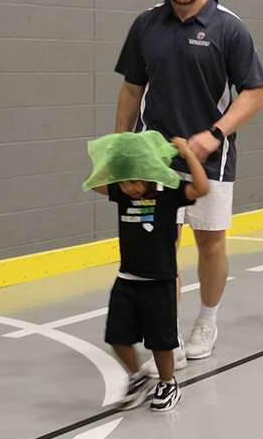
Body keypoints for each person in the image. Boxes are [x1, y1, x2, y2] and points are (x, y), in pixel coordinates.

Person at [115, 0, 263, 364]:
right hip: (153, 158)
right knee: (160, 250)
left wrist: (214, 134)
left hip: (211, 159)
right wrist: (123, 150)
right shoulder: (145, 24)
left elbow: (255, 92)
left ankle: (207, 320)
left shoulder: (228, 26)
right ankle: (168, 335)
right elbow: (131, 89)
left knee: (210, 245)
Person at [86, 133, 210, 412]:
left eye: (135, 181)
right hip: (127, 280)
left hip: (160, 281)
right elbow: (95, 183)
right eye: (125, 180)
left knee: (160, 342)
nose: (130, 188)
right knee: (117, 337)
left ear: (149, 173)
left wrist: (188, 155)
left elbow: (201, 189)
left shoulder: (169, 192)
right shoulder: (120, 190)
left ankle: (168, 383)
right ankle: (137, 378)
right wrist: (117, 159)